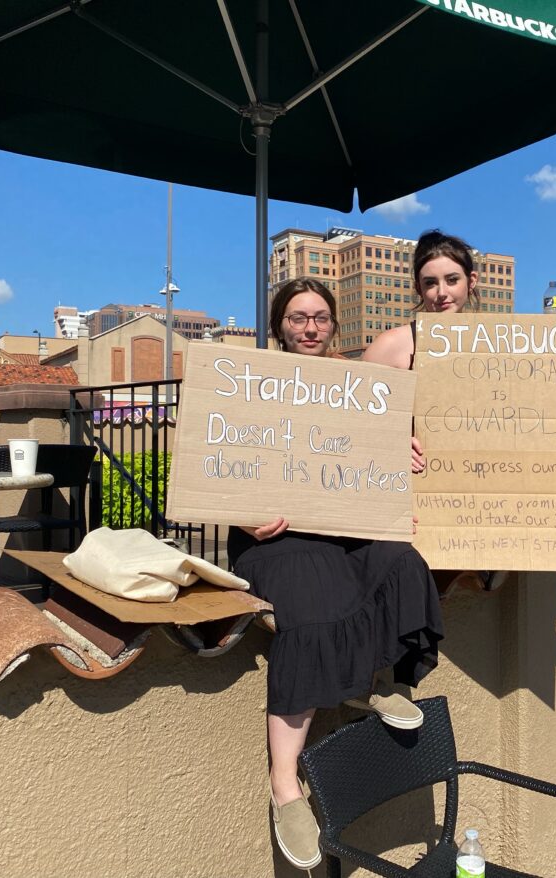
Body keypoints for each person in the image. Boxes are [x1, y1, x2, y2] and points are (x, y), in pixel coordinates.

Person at [230, 278, 444, 870]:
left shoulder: (359, 389)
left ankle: (379, 683)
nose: (310, 328)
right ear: (280, 326)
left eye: (321, 318)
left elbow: (377, 455)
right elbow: (212, 464)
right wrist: (243, 515)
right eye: (298, 318)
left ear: (334, 328)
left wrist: (402, 448)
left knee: (401, 562)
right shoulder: (249, 382)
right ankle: (285, 786)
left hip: (342, 527)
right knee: (316, 598)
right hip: (275, 538)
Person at [363, 229, 556, 593]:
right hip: (412, 513)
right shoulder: (390, 347)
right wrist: (392, 447)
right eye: (430, 283)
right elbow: (357, 432)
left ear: (471, 282)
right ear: (418, 288)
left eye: (452, 280)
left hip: (485, 522)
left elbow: (544, 427)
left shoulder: (506, 347)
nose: (442, 292)